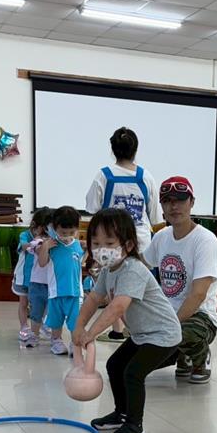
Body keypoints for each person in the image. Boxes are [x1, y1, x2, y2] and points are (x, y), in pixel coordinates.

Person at [74, 209, 181, 433]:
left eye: (109, 243)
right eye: (96, 243)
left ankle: (134, 426)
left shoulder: (133, 269)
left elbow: (118, 307)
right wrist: (78, 326)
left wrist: (91, 333)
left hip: (163, 335)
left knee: (133, 373)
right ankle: (121, 414)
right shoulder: (108, 270)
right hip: (143, 334)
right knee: (115, 365)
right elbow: (93, 299)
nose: (102, 249)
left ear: (129, 245)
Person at [144, 176, 217, 384]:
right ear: (161, 206)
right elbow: (141, 264)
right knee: (131, 357)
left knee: (183, 334)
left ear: (192, 202)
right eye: (167, 201)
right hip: (166, 313)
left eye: (180, 200)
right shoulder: (161, 237)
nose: (174, 206)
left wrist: (169, 327)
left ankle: (199, 357)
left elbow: (198, 294)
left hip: (200, 317)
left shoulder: (205, 240)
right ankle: (182, 355)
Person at [85, 127, 159, 342]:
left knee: (114, 286)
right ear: (135, 150)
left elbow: (92, 208)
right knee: (139, 288)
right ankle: (139, 330)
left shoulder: (103, 175)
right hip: (142, 242)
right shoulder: (146, 176)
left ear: (112, 149)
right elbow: (155, 216)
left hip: (112, 244)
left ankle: (117, 330)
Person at [37, 205, 85, 355]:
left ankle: (74, 343)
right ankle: (56, 341)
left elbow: (81, 262)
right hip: (55, 292)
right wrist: (45, 247)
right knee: (56, 320)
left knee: (75, 321)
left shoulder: (78, 245)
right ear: (54, 227)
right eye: (63, 232)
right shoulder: (51, 245)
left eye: (72, 232)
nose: (67, 235)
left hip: (75, 292)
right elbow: (42, 263)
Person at [14, 207, 52, 346]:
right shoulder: (25, 234)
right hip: (23, 276)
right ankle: (24, 327)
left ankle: (41, 325)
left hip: (39, 279)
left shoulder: (49, 237)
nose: (46, 231)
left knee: (41, 304)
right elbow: (24, 246)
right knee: (24, 303)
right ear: (35, 225)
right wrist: (35, 243)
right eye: (44, 228)